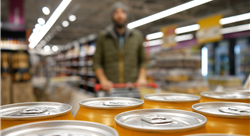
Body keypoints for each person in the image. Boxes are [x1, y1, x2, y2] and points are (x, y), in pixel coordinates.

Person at [93, 2, 147, 91]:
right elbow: (96, 62)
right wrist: (103, 80)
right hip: (110, 88)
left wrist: (142, 78)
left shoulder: (137, 36)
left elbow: (143, 61)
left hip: (132, 87)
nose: (119, 15)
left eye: (122, 12)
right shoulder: (103, 37)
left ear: (127, 15)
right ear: (112, 16)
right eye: (116, 12)